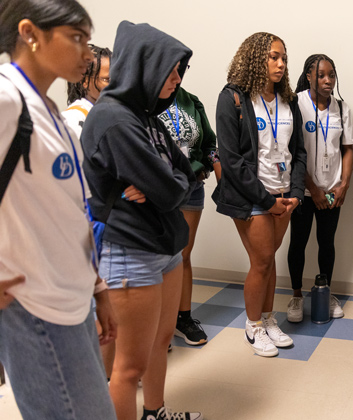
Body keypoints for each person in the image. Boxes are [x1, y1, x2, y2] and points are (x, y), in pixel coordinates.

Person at [0, 1, 116, 418]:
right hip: (34, 306)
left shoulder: (54, 114)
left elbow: (72, 213)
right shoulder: (6, 97)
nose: (88, 54)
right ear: (30, 33)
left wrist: (98, 288)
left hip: (73, 297)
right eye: (77, 38)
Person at [81, 21, 201, 420]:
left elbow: (186, 173)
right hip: (131, 250)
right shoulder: (114, 119)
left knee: (160, 341)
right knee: (128, 366)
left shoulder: (146, 116)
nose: (177, 79)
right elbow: (171, 190)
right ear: (142, 67)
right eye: (169, 70)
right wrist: (166, 185)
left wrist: (165, 183)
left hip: (164, 246)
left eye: (180, 70)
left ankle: (155, 413)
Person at [213, 32, 306, 357]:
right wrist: (267, 201)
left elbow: (298, 151)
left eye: (284, 58)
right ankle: (252, 326)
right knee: (262, 260)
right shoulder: (233, 98)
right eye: (273, 57)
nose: (281, 64)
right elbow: (231, 159)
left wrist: (295, 193)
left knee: (268, 261)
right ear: (255, 58)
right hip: (251, 196)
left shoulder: (289, 100)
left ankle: (268, 319)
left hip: (283, 195)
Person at [286, 54, 353, 322]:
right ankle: (296, 296)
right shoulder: (296, 104)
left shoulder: (341, 108)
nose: (328, 81)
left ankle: (325, 292)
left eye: (332, 75)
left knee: (327, 243)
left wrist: (344, 185)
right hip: (303, 192)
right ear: (308, 76)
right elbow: (292, 152)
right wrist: (311, 189)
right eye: (321, 75)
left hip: (331, 192)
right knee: (298, 243)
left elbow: (348, 148)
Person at [61, 42, 115, 379]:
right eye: (107, 79)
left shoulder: (106, 113)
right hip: (89, 224)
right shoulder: (74, 120)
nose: (114, 85)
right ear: (85, 80)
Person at [156, 86, 220, 346]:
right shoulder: (144, 101)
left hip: (192, 186)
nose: (176, 74)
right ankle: (159, 322)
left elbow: (209, 145)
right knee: (160, 257)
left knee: (182, 255)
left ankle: (183, 318)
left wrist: (207, 167)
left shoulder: (190, 101)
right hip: (159, 189)